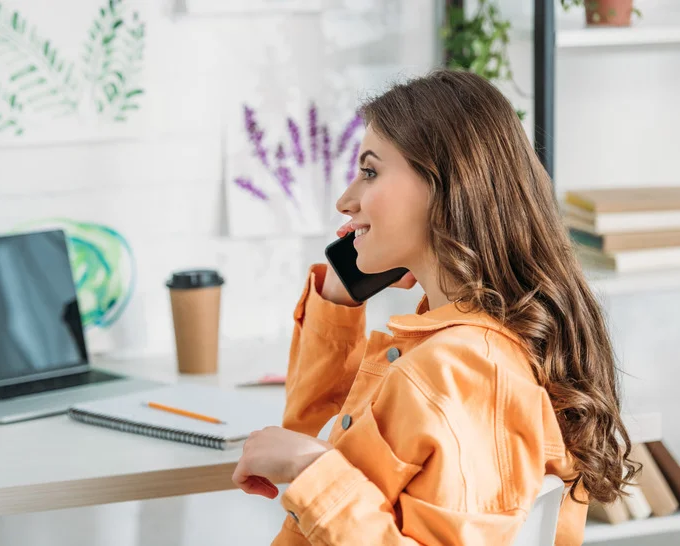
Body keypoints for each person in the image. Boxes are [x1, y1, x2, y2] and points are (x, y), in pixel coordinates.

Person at [231, 69, 637, 545]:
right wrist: (340, 295)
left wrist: (311, 467)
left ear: (445, 188)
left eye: (370, 172)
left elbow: (313, 457)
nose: (346, 201)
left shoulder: (460, 373)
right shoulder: (460, 352)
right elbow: (312, 431)